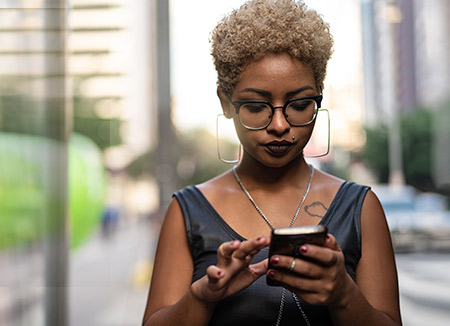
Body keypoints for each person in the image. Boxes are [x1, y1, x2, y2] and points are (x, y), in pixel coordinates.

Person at [143, 0, 401, 325]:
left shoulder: (361, 207)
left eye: (299, 103)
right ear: (226, 102)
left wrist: (344, 295)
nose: (279, 124)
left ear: (319, 97)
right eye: (256, 106)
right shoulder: (188, 211)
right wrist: (203, 296)